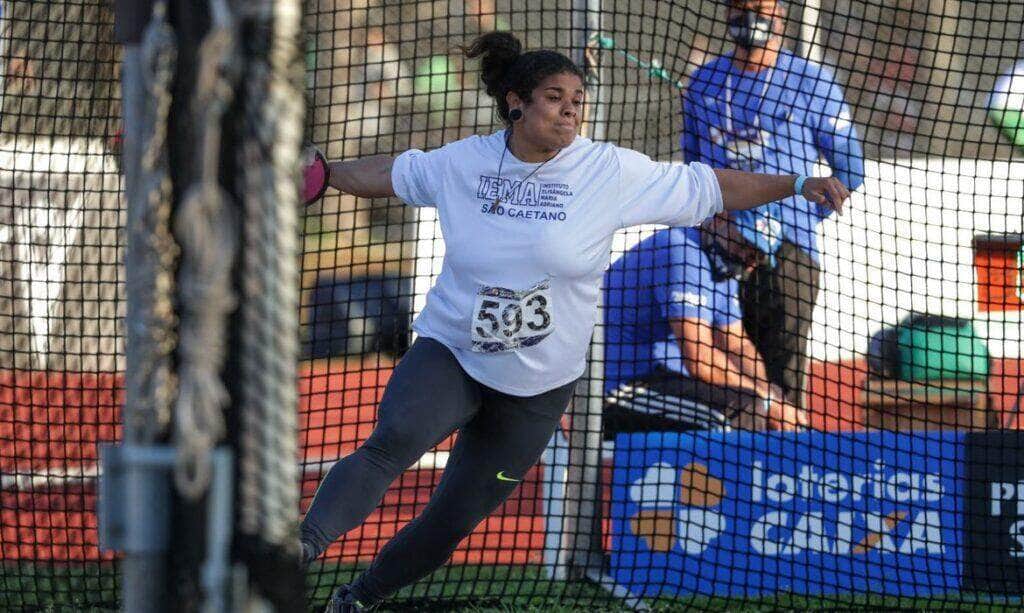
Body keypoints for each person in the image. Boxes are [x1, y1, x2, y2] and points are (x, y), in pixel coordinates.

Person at [301, 31, 850, 612]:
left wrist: (795, 184)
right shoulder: (465, 162)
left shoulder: (606, 171)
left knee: (452, 518)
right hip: (455, 351)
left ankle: (355, 601)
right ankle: (298, 552)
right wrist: (325, 173)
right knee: (393, 444)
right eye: (555, 96)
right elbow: (392, 173)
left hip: (539, 385)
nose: (570, 109)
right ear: (517, 102)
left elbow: (711, 186)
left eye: (577, 99)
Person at [681, 0, 865, 410]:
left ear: (781, 11)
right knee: (725, 380)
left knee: (782, 381)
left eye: (760, 6)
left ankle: (781, 462)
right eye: (738, 6)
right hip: (715, 251)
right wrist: (716, 225)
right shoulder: (705, 82)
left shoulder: (811, 81)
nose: (749, 16)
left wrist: (798, 223)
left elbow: (849, 169)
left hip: (787, 256)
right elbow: (690, 171)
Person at [603, 209, 808, 435]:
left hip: (671, 381)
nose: (748, 261)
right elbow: (699, 359)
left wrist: (769, 392)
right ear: (720, 220)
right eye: (745, 244)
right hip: (623, 386)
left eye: (757, 256)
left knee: (771, 416)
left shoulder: (724, 268)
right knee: (739, 413)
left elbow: (738, 344)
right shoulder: (681, 250)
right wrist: (766, 399)